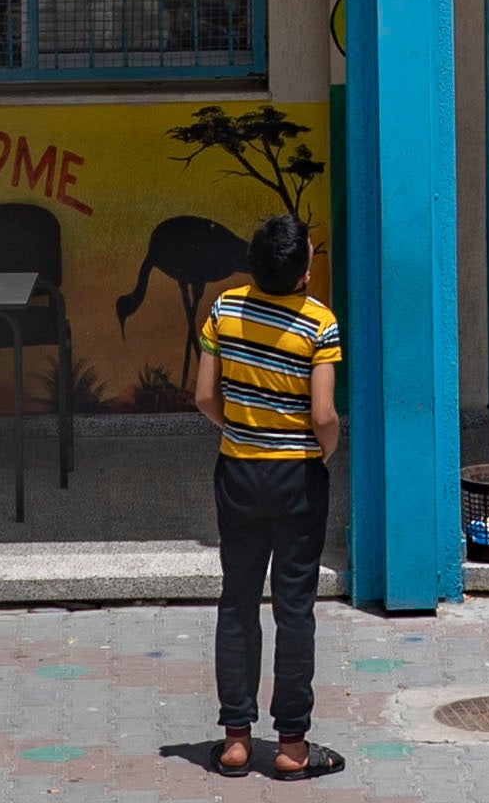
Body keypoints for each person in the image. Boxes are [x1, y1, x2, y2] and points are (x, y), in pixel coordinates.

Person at [194, 212, 343, 781]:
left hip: (238, 473)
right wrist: (322, 450)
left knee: (237, 601)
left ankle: (235, 741)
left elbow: (205, 395)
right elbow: (323, 414)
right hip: (298, 479)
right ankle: (292, 748)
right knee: (294, 607)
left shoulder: (225, 309)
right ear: (304, 273)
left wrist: (239, 430)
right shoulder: (319, 323)